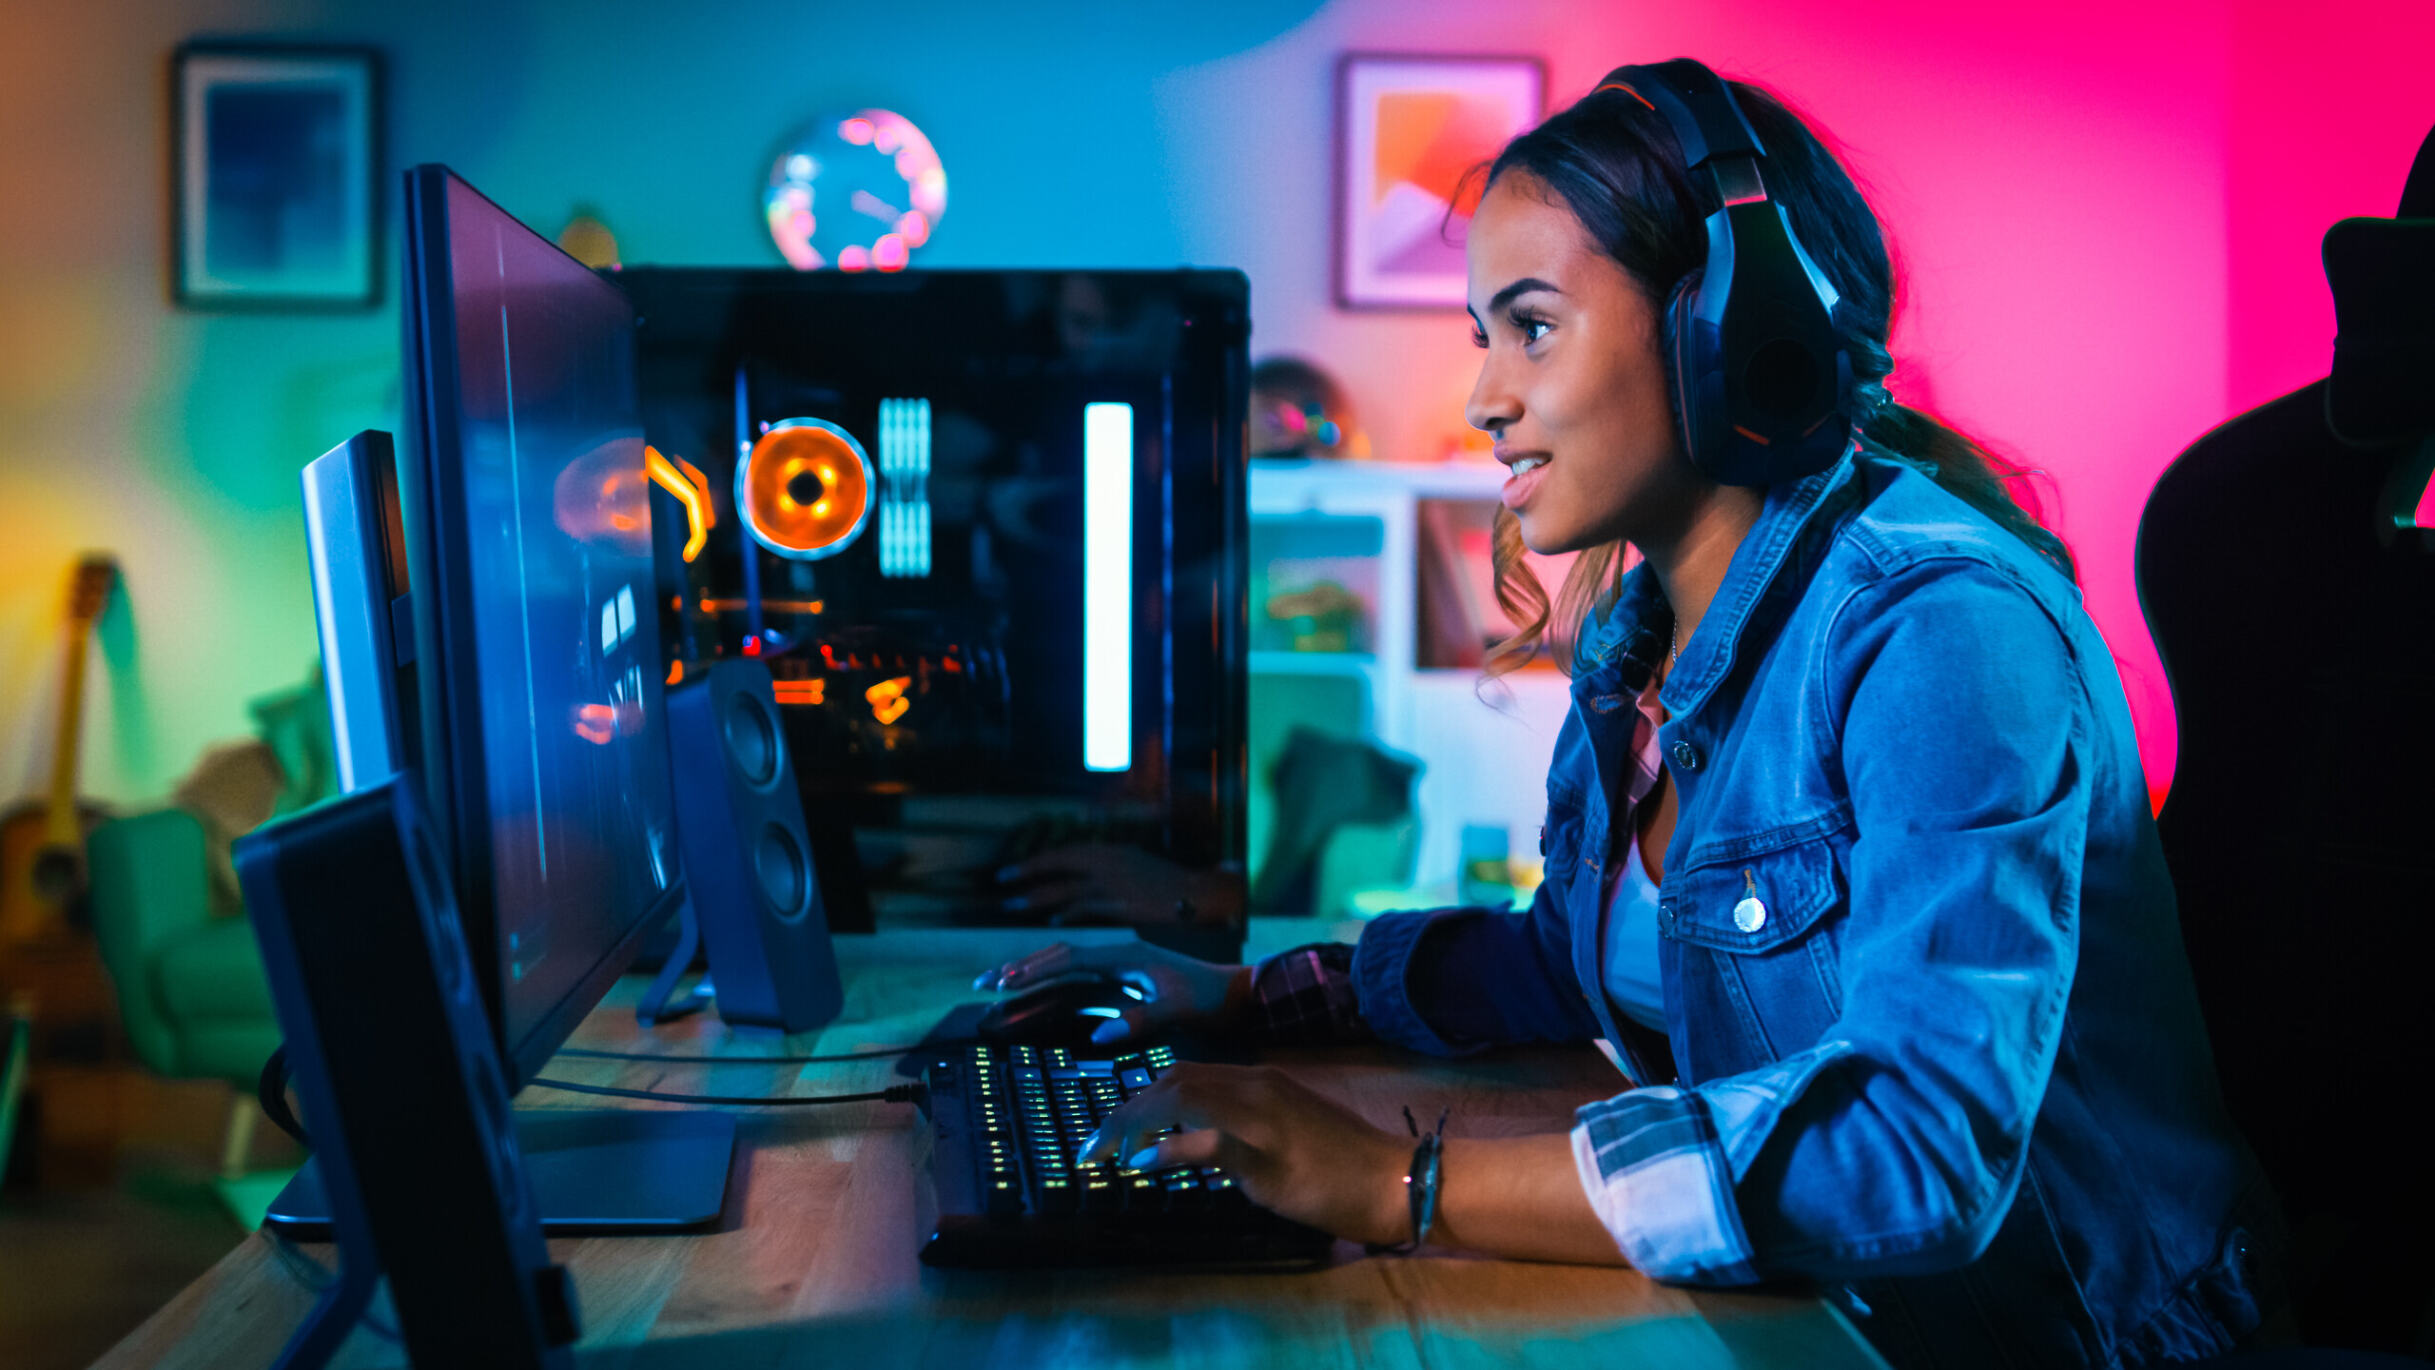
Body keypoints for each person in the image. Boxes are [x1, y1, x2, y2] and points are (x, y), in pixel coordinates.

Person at [976, 61, 2277, 1369]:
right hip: (1820, 1322)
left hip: (2061, 1343)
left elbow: (1915, 1147)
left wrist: (1399, 1184)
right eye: (1485, 335)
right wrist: (1247, 995)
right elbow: (1567, 958)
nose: (1487, 396)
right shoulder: (1636, 640)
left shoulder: (1937, 626)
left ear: (1727, 326)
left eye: (1531, 326)